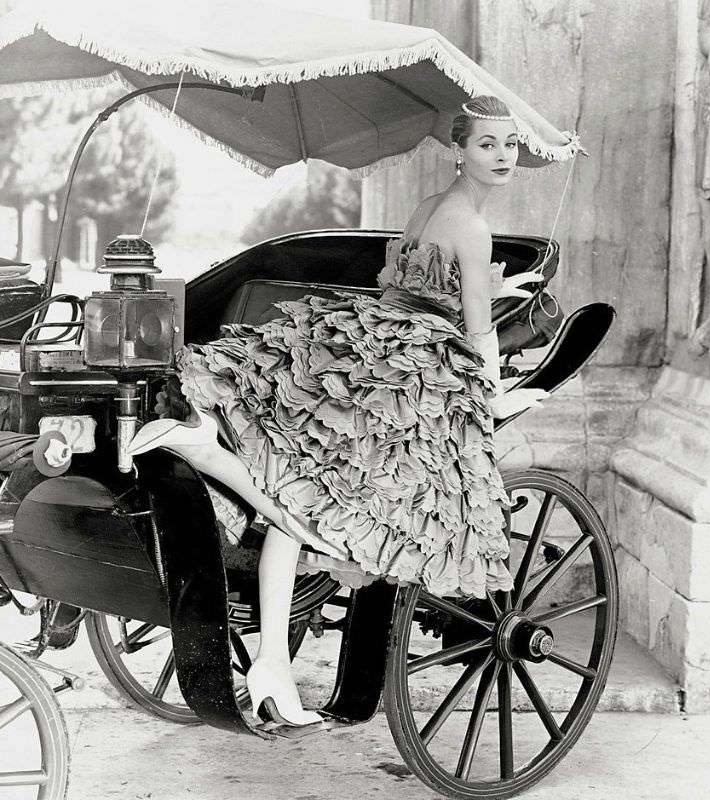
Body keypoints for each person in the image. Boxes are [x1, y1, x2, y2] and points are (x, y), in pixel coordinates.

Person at [128, 95, 548, 727]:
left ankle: (271, 662)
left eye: (510, 145)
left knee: (301, 501)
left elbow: (411, 283)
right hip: (413, 362)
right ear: (459, 149)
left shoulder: (432, 207)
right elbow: (480, 331)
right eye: (488, 144)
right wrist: (488, 399)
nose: (502, 157)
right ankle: (203, 449)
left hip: (375, 333)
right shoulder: (472, 223)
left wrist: (483, 287)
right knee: (340, 520)